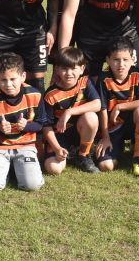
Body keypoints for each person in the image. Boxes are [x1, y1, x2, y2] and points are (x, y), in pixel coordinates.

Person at [0, 52, 52, 193]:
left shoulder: (35, 95)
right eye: (3, 80)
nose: (8, 84)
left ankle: (18, 168)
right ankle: (6, 170)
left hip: (25, 146)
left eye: (13, 79)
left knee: (32, 185)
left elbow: (40, 124)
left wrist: (27, 126)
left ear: (23, 76)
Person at [40, 46, 103, 175]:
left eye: (73, 68)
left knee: (91, 117)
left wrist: (69, 112)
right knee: (53, 169)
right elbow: (46, 126)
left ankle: (83, 155)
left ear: (82, 69)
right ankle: (69, 153)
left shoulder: (85, 82)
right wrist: (56, 148)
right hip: (60, 136)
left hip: (80, 131)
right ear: (57, 69)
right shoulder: (50, 95)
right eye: (64, 68)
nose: (69, 73)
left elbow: (97, 104)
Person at [96, 38, 139, 175]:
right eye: (116, 60)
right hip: (113, 127)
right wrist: (105, 137)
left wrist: (119, 107)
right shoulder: (103, 78)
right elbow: (102, 109)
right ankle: (117, 146)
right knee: (106, 166)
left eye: (125, 60)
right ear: (108, 60)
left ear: (132, 59)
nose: (121, 64)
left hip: (132, 123)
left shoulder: (137, 74)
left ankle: (138, 157)